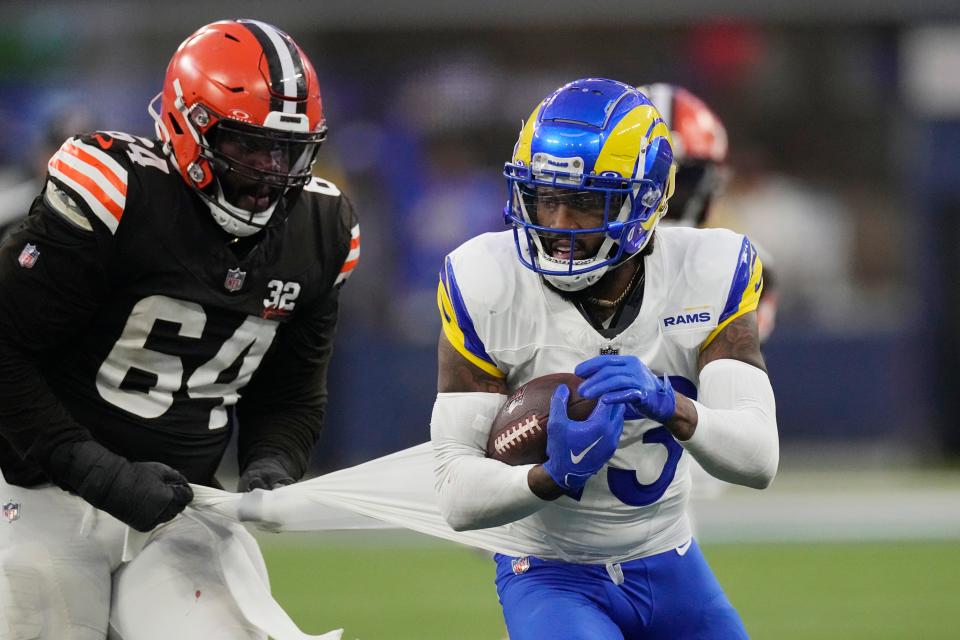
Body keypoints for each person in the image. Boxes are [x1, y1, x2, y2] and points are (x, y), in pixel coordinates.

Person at [0, 19, 357, 640]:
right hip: (38, 490)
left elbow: (292, 391)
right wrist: (101, 474)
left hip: (179, 504)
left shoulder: (321, 229)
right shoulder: (115, 191)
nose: (271, 172)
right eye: (249, 147)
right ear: (187, 127)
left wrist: (274, 459)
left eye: (287, 150)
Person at [431, 78, 778, 639]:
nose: (559, 225)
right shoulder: (485, 280)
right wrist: (550, 477)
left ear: (644, 201)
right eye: (546, 197)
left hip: (669, 559)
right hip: (549, 571)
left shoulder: (711, 267)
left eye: (587, 202)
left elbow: (758, 458)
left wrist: (671, 405)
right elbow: (454, 492)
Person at [643, 82, 778, 343]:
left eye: (682, 180)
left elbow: (730, 376)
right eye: (651, 180)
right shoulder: (572, 256)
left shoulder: (743, 266)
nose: (664, 196)